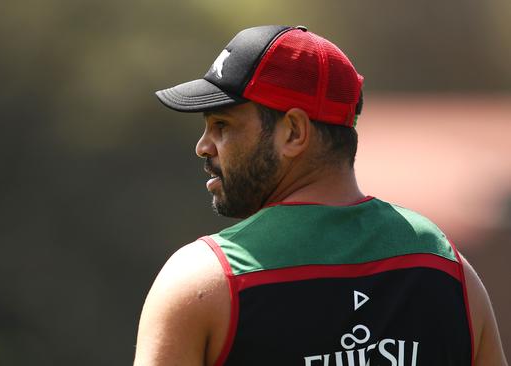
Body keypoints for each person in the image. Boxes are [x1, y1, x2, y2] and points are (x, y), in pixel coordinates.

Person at [134, 25, 507, 366]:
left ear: (294, 132)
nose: (203, 146)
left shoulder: (205, 281)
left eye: (222, 125)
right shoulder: (446, 268)